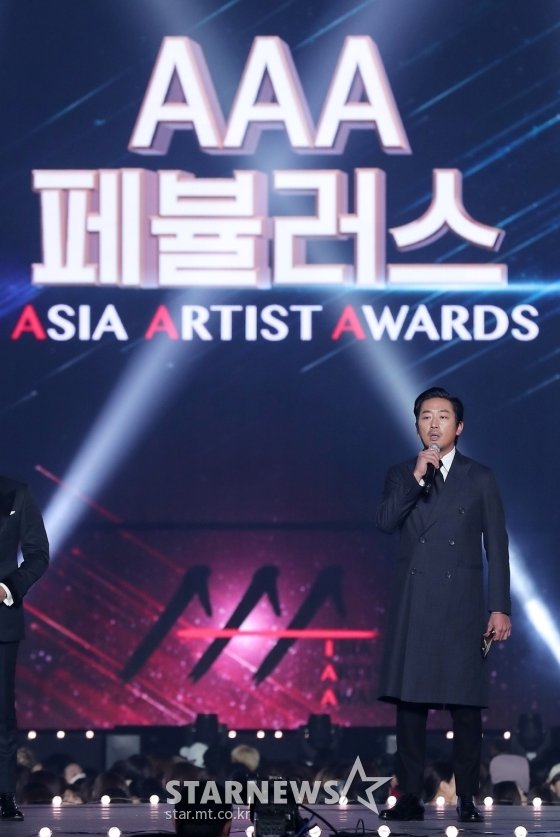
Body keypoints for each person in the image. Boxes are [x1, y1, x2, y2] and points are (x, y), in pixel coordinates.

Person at [376, 387, 511, 824]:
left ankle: (467, 797)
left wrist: (499, 606)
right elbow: (386, 522)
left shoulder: (480, 477)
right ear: (416, 425)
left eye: (443, 416)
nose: (434, 424)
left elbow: (497, 546)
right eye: (426, 417)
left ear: (459, 426)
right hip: (415, 603)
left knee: (466, 708)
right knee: (410, 707)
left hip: (462, 604)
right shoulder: (402, 473)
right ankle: (409, 796)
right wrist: (418, 479)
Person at [0, 475, 49, 820]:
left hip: (0, 621)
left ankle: (4, 795)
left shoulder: (15, 493)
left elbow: (37, 555)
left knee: (2, 714)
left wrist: (7, 587)